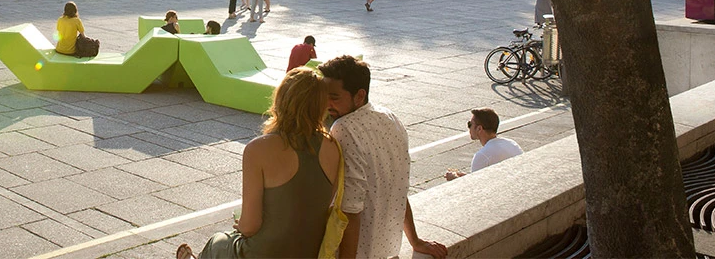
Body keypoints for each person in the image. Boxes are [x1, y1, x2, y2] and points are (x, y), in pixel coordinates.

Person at [176, 68, 340, 259]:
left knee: (218, 242)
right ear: (321, 106)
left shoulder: (258, 149)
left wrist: (241, 225)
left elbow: (250, 226)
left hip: (264, 253)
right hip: (309, 251)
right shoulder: (332, 147)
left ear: (281, 100)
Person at [319, 56, 447, 259]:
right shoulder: (390, 117)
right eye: (324, 96)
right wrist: (415, 240)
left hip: (359, 251)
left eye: (334, 97)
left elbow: (350, 209)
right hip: (387, 250)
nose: (327, 104)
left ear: (359, 96)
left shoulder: (343, 128)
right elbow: (398, 186)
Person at [445, 108, 524, 180]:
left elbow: (474, 186)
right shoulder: (511, 143)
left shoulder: (482, 155)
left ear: (479, 129)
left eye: (470, 124)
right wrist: (466, 177)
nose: (469, 128)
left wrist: (454, 178)